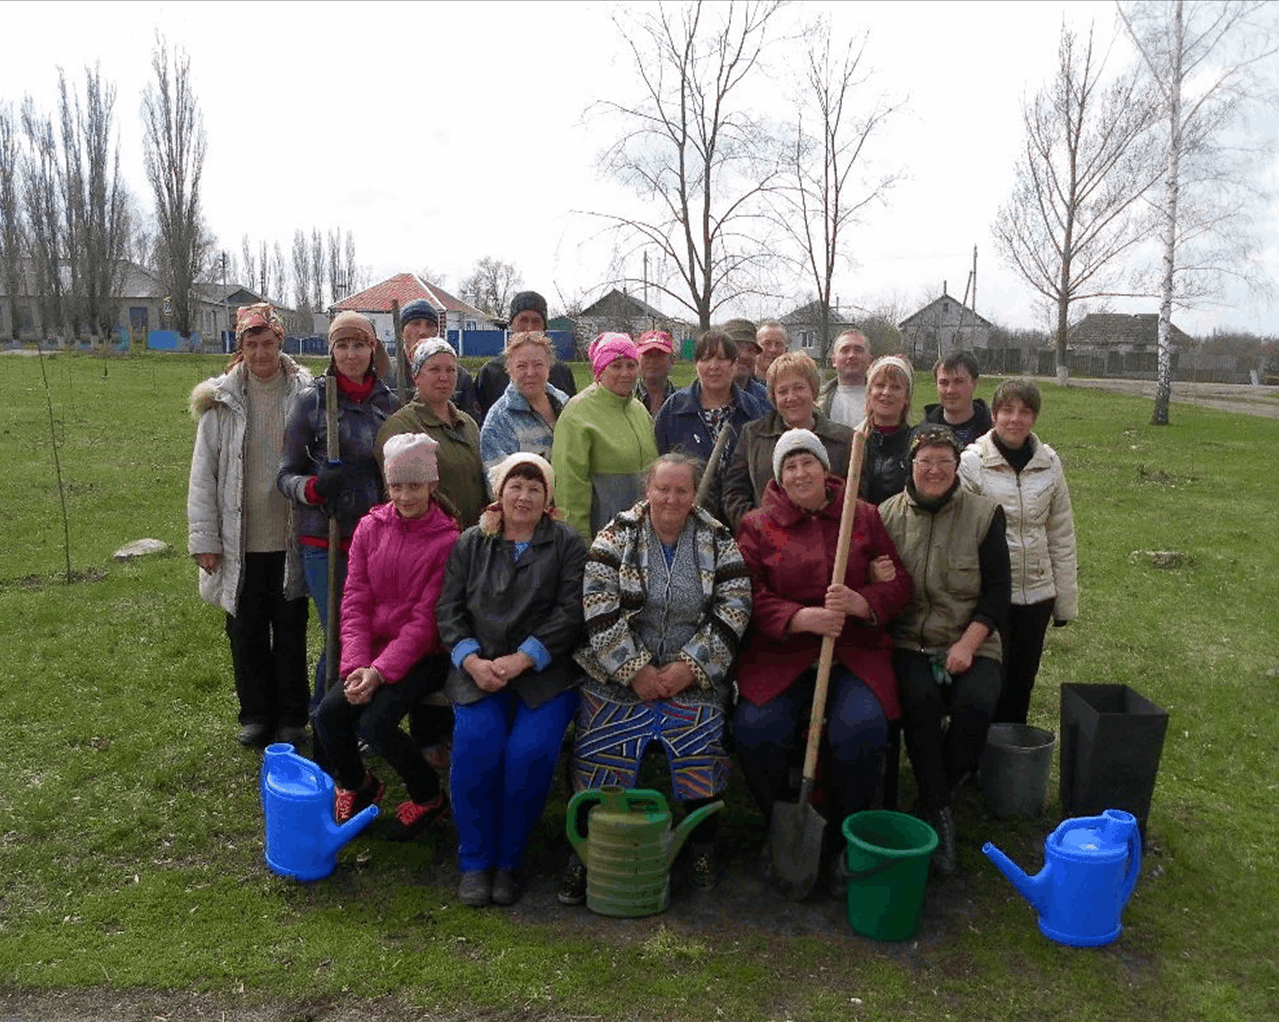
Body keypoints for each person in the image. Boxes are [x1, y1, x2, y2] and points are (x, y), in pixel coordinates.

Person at [561, 454, 753, 903]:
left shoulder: (716, 539)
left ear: (693, 495)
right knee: (600, 741)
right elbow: (598, 605)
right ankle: (587, 850)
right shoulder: (616, 537)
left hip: (694, 676)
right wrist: (634, 671)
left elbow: (735, 606)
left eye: (681, 490)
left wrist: (690, 667)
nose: (671, 498)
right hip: (618, 678)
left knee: (701, 738)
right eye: (662, 489)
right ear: (647, 490)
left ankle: (701, 846)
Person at [734, 429, 912, 890]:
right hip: (783, 655)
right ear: (778, 476)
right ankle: (782, 823)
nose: (799, 473)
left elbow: (900, 586)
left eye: (807, 462)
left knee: (862, 729)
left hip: (852, 653)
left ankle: (842, 830)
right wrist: (800, 618)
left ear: (823, 465)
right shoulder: (757, 526)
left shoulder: (862, 515)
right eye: (789, 466)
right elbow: (746, 594)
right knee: (756, 729)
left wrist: (862, 602)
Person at [437, 453, 587, 907]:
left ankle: (510, 860)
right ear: (499, 495)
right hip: (479, 672)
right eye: (515, 487)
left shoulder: (566, 543)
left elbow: (570, 612)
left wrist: (523, 659)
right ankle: (476, 861)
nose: (524, 496)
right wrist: (473, 662)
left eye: (534, 488)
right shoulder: (471, 543)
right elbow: (449, 610)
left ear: (548, 499)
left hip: (544, 675)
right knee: (475, 747)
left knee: (529, 753)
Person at [879, 425, 1011, 875]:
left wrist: (967, 646)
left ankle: (929, 802)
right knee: (919, 700)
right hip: (911, 642)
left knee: (977, 703)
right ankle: (940, 816)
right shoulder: (886, 516)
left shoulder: (983, 514)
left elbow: (997, 593)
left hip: (972, 640)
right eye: (924, 462)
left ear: (956, 467)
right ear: (910, 466)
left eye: (943, 462)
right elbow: (876, 585)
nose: (933, 470)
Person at [313, 433, 458, 839]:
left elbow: (424, 622)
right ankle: (360, 785)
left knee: (376, 723)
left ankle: (429, 797)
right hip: (371, 653)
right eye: (397, 486)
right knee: (329, 714)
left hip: (424, 655)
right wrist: (358, 666)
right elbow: (355, 601)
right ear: (386, 486)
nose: (405, 495)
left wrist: (379, 673)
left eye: (414, 486)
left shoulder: (446, 540)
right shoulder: (369, 529)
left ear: (432, 485)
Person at [188, 303, 313, 749]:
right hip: (238, 539)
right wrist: (204, 539)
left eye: (268, 342)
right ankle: (256, 714)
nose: (261, 352)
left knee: (291, 626)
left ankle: (293, 716)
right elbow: (204, 475)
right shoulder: (220, 401)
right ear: (240, 347)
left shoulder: (305, 393)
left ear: (281, 342)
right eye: (251, 344)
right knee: (245, 630)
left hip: (289, 534)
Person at [278, 311, 399, 710]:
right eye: (342, 345)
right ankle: (325, 717)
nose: (351, 354)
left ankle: (351, 719)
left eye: (359, 344)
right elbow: (284, 476)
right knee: (341, 634)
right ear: (331, 350)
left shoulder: (387, 404)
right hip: (325, 537)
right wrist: (313, 488)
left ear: (372, 348)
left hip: (377, 537)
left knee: (371, 632)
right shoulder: (312, 401)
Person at [959, 379, 1077, 725]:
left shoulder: (1050, 463)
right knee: (989, 684)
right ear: (994, 415)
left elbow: (1061, 532)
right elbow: (963, 537)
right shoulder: (972, 463)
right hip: (993, 597)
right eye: (1007, 410)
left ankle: (1012, 762)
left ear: (1034, 417)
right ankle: (979, 757)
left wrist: (1064, 601)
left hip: (1037, 594)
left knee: (1021, 684)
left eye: (1025, 412)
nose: (1015, 419)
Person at [720, 350, 853, 533]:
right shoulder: (752, 435)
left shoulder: (845, 439)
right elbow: (733, 493)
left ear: (813, 391)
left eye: (799, 388)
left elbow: (855, 498)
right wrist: (759, 529)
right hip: (767, 546)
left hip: (828, 544)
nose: (791, 397)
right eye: (782, 391)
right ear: (774, 398)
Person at [550, 332, 658, 542]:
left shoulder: (638, 410)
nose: (625, 373)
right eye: (616, 366)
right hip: (603, 536)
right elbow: (569, 489)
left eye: (631, 365)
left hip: (643, 535)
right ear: (599, 369)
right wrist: (579, 542)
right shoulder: (577, 413)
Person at [654, 329, 768, 520]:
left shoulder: (753, 411)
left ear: (734, 365)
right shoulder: (674, 410)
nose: (713, 366)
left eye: (722, 359)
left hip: (742, 521)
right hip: (688, 519)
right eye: (706, 359)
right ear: (696, 365)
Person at [376, 338, 487, 529]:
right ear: (416, 376)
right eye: (434, 370)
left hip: (473, 540)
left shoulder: (467, 424)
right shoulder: (400, 427)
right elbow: (396, 496)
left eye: (451, 370)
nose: (444, 377)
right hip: (429, 539)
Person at [475, 291, 578, 419]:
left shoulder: (562, 372)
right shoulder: (490, 373)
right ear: (512, 325)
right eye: (523, 320)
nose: (529, 328)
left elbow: (573, 419)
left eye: (536, 321)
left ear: (544, 328)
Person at [478, 331, 569, 472]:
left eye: (538, 364)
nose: (530, 373)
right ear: (509, 369)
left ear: (549, 367)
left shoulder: (565, 403)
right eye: (521, 366)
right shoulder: (499, 420)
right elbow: (496, 481)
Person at [388, 299, 482, 423]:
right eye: (415, 324)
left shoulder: (458, 377)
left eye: (429, 325)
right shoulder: (388, 374)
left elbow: (470, 425)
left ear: (437, 331)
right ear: (401, 331)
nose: (423, 332)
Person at [858, 355, 915, 506]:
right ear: (869, 392)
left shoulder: (915, 444)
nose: (886, 392)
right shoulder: (853, 440)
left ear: (906, 397)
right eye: (880, 385)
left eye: (895, 387)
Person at [924, 350, 991, 447]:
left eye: (959, 381)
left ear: (974, 383)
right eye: (944, 382)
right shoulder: (923, 436)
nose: (950, 390)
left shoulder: (994, 434)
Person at [819, 329, 872, 428]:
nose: (851, 355)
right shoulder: (817, 400)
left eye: (858, 350)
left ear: (869, 360)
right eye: (845, 350)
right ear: (833, 360)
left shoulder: (882, 398)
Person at [721, 318, 769, 404]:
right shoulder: (695, 397)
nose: (744, 355)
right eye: (736, 348)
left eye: (751, 350)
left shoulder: (766, 400)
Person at [634, 329, 677, 416]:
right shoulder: (624, 400)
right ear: (637, 359)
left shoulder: (684, 402)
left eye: (659, 355)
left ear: (672, 360)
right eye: (647, 354)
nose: (652, 361)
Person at [755, 320, 790, 386]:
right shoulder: (743, 386)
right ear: (755, 348)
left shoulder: (791, 387)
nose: (773, 349)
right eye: (767, 343)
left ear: (786, 350)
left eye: (779, 344)